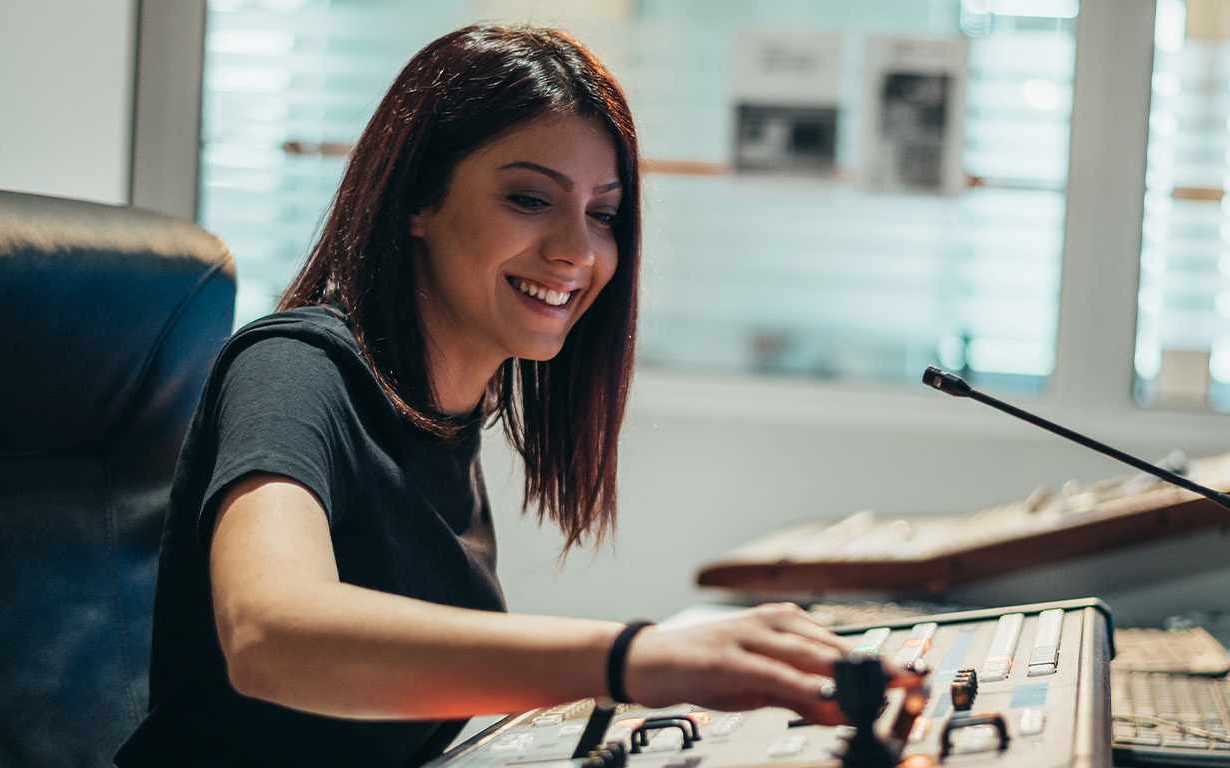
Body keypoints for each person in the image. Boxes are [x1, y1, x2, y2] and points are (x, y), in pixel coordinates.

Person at [116, 24, 911, 766]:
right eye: (529, 199)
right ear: (419, 201)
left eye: (602, 214)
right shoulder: (292, 368)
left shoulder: (452, 408)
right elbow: (270, 637)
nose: (576, 251)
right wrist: (633, 659)